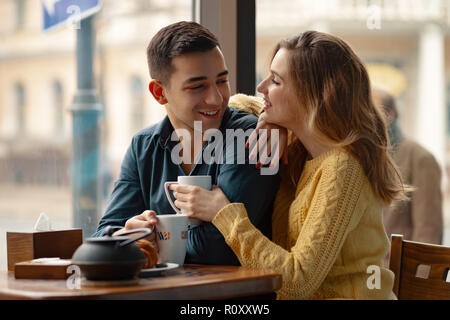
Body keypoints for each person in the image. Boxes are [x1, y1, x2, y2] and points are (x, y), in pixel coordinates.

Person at [165, 31, 407, 299]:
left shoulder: (342, 169)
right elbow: (235, 103)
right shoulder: (301, 144)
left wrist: (224, 213)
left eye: (276, 81)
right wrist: (269, 121)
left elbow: (296, 283)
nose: (262, 86)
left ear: (312, 96)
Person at [93, 21, 280, 266]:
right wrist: (124, 234)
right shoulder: (143, 146)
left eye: (221, 81)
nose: (216, 98)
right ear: (159, 93)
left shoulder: (250, 135)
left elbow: (221, 249)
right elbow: (102, 236)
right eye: (197, 86)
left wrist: (148, 240)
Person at [372, 88, 443, 245]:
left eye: (372, 111)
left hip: (399, 265)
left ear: (390, 114)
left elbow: (428, 230)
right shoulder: (366, 155)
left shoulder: (420, 158)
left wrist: (421, 270)